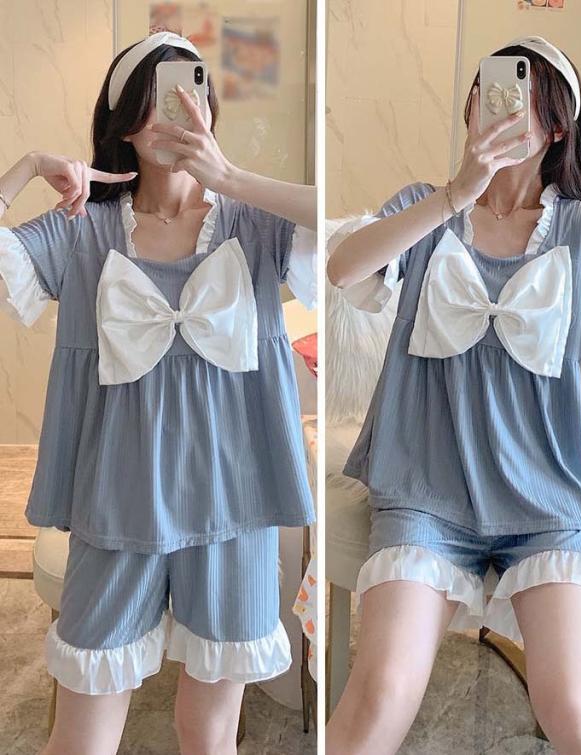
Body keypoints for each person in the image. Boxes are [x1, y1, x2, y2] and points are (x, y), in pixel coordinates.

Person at [0, 31, 316, 755]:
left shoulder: (256, 225)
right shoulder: (80, 230)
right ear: (122, 124)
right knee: (80, 739)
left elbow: (346, 232)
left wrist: (230, 178)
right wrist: (28, 166)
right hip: (116, 510)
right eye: (154, 101)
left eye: (188, 95)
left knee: (208, 735)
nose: (174, 116)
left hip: (236, 512)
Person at [325, 35, 581, 755]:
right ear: (470, 107)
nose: (500, 110)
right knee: (380, 696)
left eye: (525, 100)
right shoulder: (423, 209)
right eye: (489, 93)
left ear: (555, 127)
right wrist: (454, 195)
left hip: (546, 497)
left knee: (576, 709)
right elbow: (344, 270)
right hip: (425, 493)